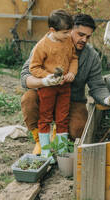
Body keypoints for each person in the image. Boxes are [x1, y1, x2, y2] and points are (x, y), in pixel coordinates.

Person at [21, 13, 110, 155]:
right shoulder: (45, 44)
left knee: (80, 130)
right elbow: (25, 75)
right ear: (70, 29)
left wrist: (106, 99)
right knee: (28, 99)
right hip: (45, 94)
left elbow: (97, 85)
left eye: (88, 37)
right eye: (80, 34)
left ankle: (59, 135)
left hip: (72, 99)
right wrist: (44, 81)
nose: (84, 40)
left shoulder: (91, 56)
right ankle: (40, 142)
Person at [28, 9, 78, 159]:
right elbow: (34, 67)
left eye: (69, 32)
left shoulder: (68, 40)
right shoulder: (42, 46)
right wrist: (47, 77)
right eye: (64, 32)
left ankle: (62, 150)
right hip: (48, 89)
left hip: (64, 87)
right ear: (52, 30)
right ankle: (45, 152)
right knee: (45, 117)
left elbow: (74, 58)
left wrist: (72, 73)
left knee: (63, 117)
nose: (68, 35)